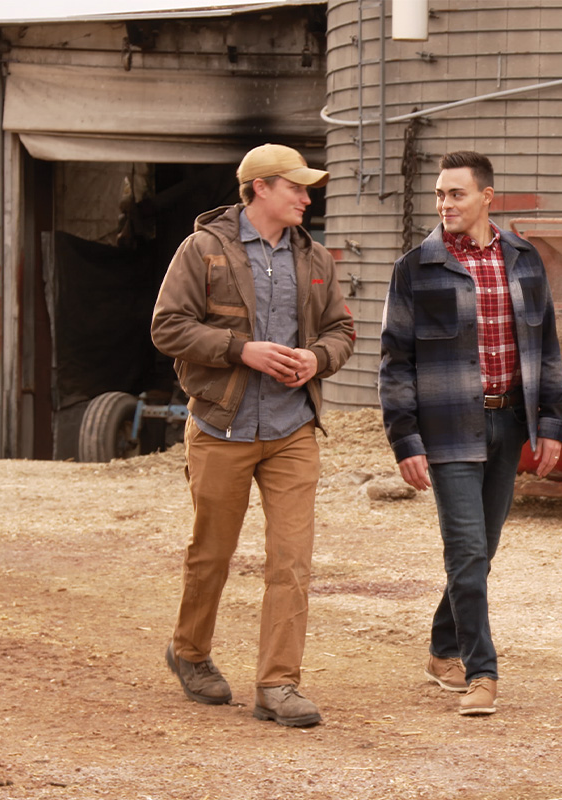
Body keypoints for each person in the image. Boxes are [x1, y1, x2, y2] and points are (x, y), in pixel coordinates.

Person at [151, 143, 355, 728]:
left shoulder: (314, 256)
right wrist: (242, 350)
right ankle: (190, 652)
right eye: (296, 187)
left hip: (292, 429)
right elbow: (168, 327)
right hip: (222, 425)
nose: (306, 198)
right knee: (211, 553)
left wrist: (317, 358)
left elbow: (342, 330)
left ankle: (277, 685)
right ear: (260, 187)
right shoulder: (202, 250)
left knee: (292, 560)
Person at [378, 150, 562, 716]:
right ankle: (481, 671)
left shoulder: (525, 260)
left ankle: (442, 649)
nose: (445, 204)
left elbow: (547, 347)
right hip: (448, 429)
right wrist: (405, 439)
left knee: (481, 551)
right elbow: (394, 363)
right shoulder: (416, 268)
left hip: (509, 421)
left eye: (456, 194)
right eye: (440, 194)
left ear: (487, 197)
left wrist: (551, 422)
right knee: (465, 550)